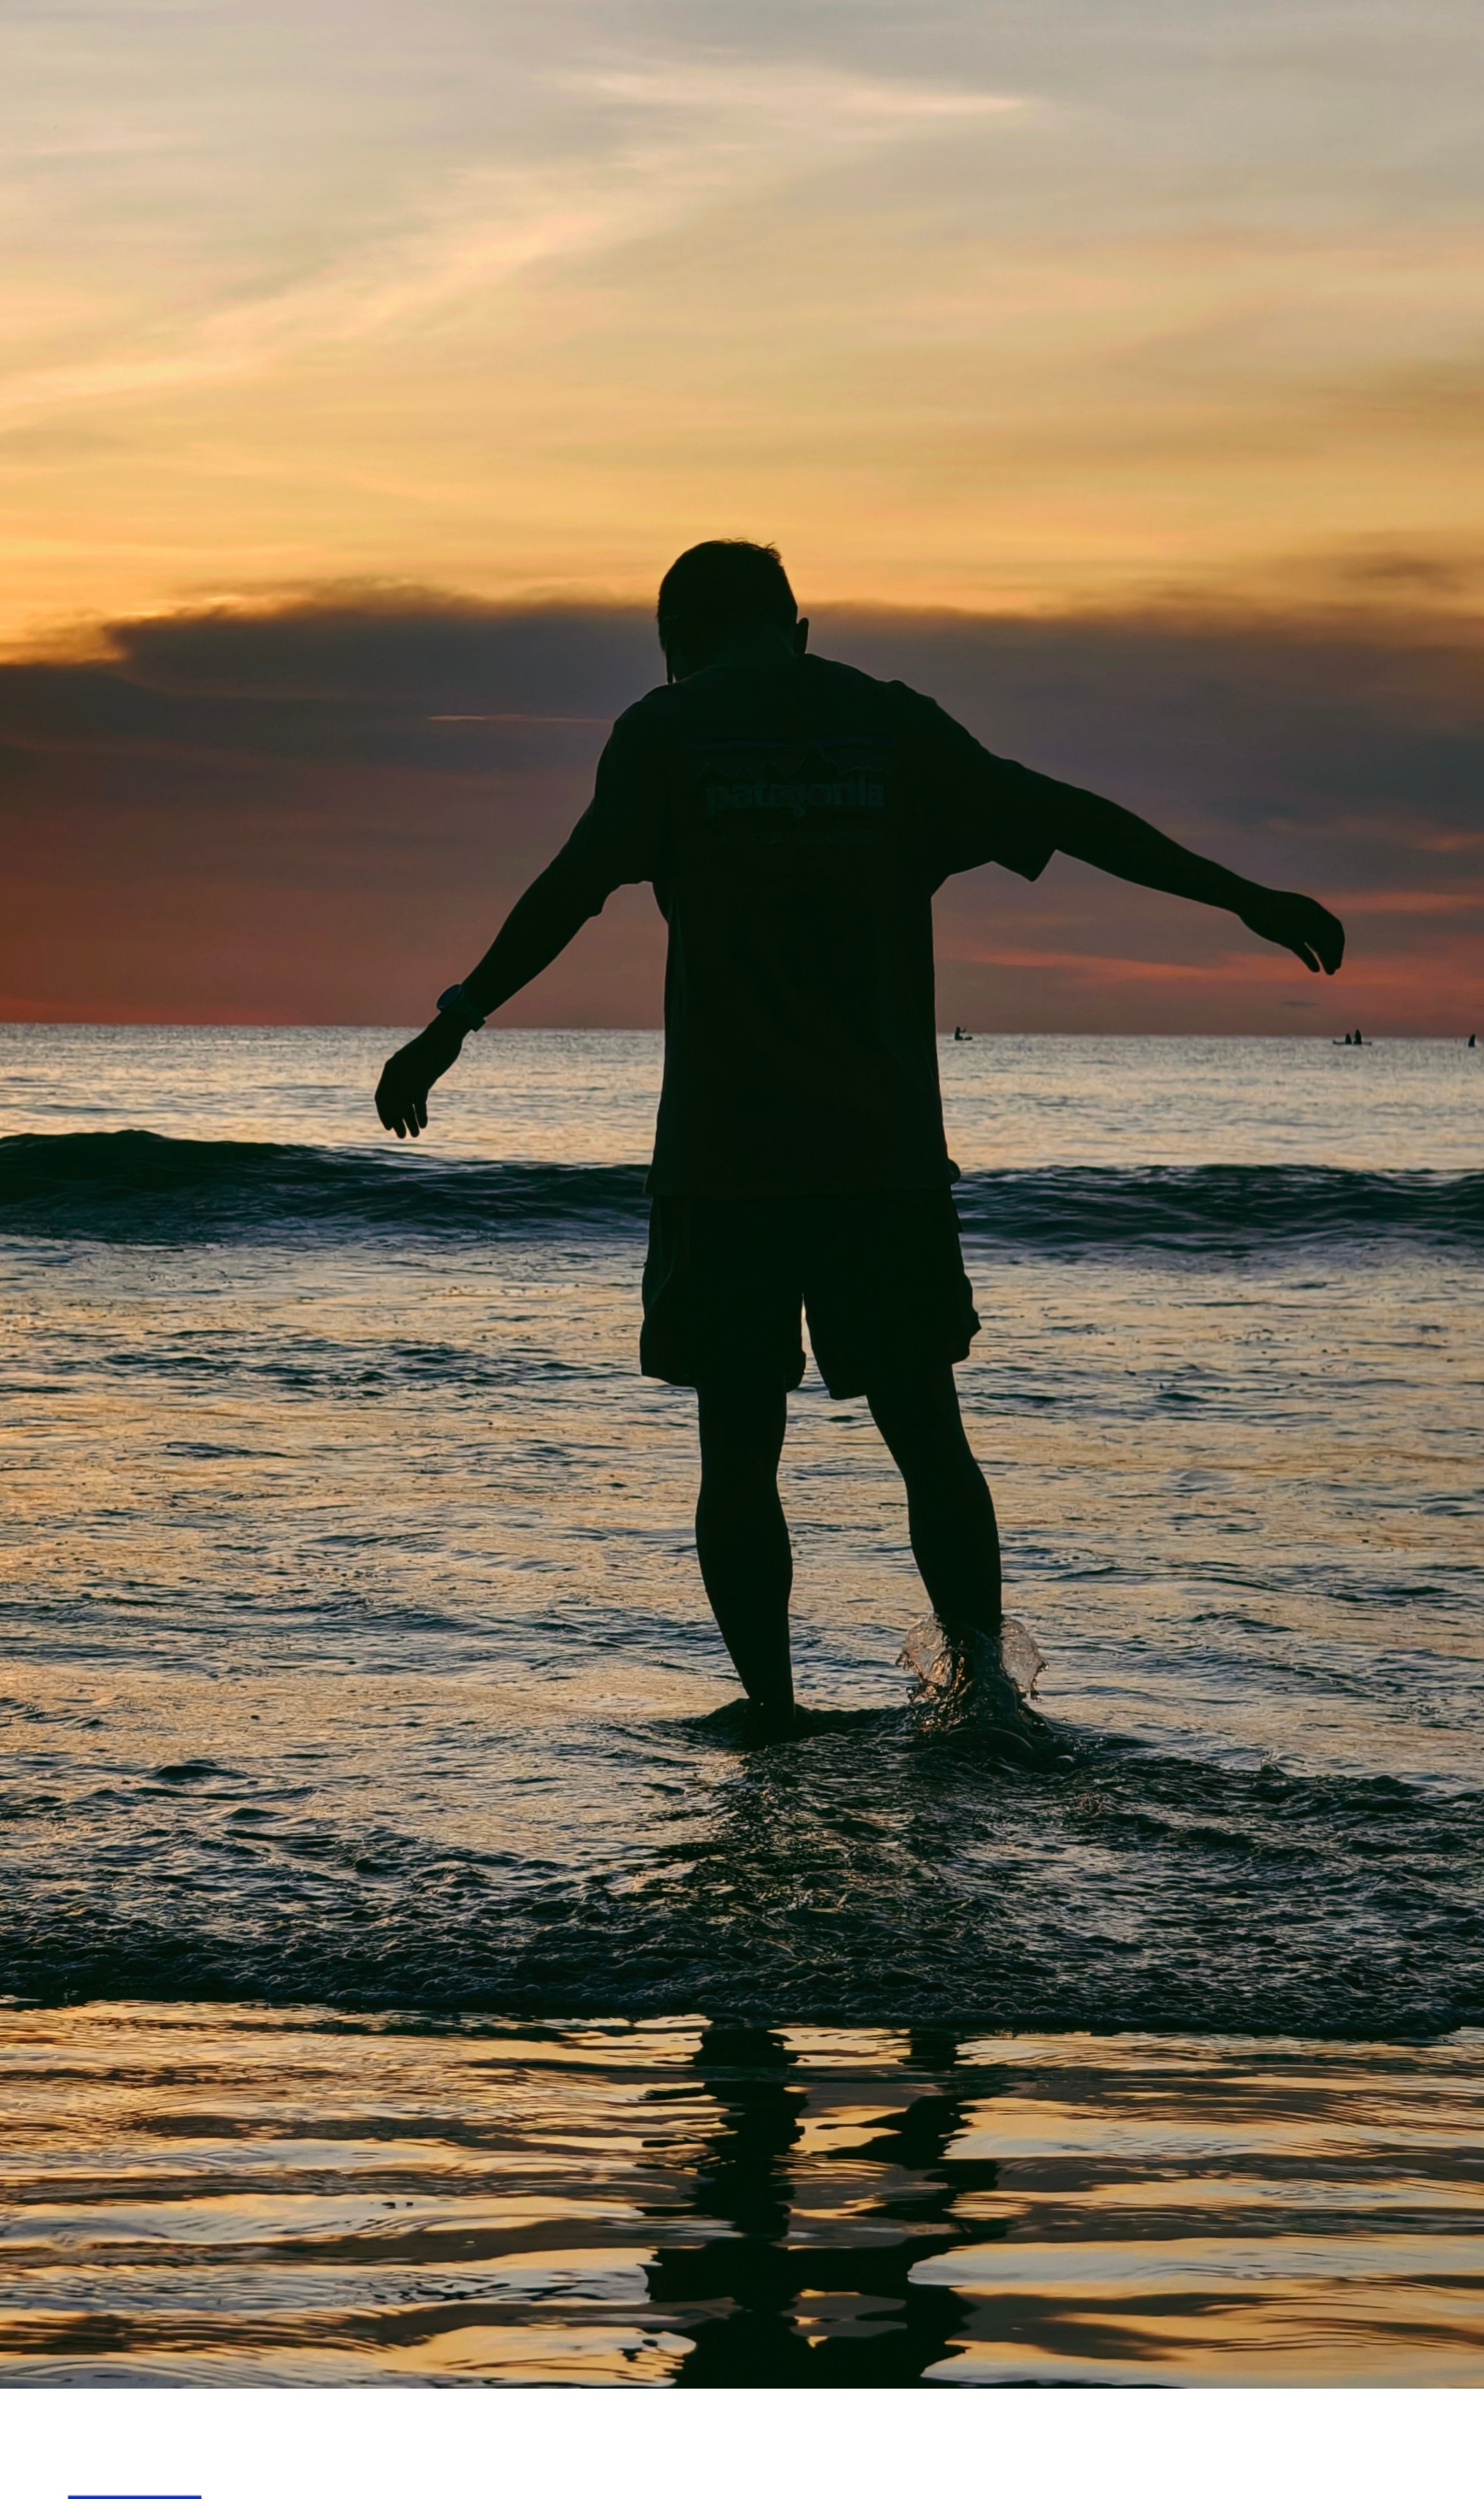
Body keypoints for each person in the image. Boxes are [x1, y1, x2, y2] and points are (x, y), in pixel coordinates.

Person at [373, 541, 1345, 1756]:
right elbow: (1067, 816)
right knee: (927, 1432)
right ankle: (984, 1702)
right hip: (880, 1155)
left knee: (739, 1449)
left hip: (726, 1158)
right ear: (799, 627)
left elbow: (571, 888)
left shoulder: (666, 732)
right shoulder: (890, 727)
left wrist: (452, 1024)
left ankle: (773, 1712)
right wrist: (1244, 895)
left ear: (675, 645)